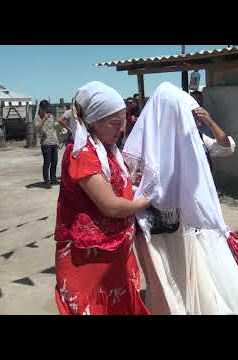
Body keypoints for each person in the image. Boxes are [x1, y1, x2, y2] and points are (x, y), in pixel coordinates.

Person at [123, 82, 238, 315]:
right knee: (164, 274)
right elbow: (131, 180)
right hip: (156, 224)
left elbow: (227, 147)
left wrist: (210, 122)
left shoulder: (195, 139)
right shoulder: (147, 144)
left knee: (190, 272)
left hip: (189, 220)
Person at [53, 81, 151, 315]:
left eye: (123, 122)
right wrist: (147, 200)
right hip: (89, 260)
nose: (121, 130)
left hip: (115, 252)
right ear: (94, 122)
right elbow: (110, 206)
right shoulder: (82, 154)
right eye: (115, 123)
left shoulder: (107, 150)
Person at [34, 100, 60, 187]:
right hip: (45, 143)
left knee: (54, 161)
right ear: (41, 108)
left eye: (47, 108)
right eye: (45, 109)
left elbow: (53, 129)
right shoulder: (37, 117)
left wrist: (57, 141)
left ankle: (53, 178)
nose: (46, 110)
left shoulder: (51, 116)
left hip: (53, 141)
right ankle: (46, 180)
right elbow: (37, 128)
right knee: (47, 162)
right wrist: (44, 119)